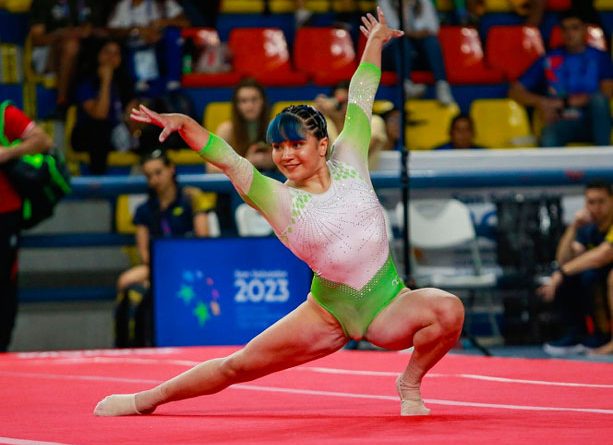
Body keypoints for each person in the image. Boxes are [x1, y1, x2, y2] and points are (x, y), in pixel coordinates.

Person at [94, 7, 464, 417]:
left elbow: (362, 91)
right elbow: (230, 161)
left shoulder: (351, 156)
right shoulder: (277, 198)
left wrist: (374, 42)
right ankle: (144, 399)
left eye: (296, 144)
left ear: (322, 145)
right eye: (278, 147)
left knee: (448, 310)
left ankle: (409, 382)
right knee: (236, 366)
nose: (285, 155)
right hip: (327, 312)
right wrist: (185, 125)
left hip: (388, 304)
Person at [115, 149, 213, 347]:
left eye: (158, 172)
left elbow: (203, 239)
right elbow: (144, 252)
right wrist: (161, 271)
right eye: (149, 176)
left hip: (190, 266)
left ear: (171, 169)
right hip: (157, 268)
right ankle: (124, 344)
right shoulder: (144, 210)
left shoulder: (191, 199)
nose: (154, 180)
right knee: (126, 283)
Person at [509, 10, 613, 147]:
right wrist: (542, 102)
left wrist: (564, 102)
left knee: (599, 102)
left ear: (585, 30)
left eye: (575, 28)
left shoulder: (600, 58)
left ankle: (604, 156)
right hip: (562, 120)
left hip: (593, 120)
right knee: (549, 136)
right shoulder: (549, 59)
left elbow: (606, 93)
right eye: (565, 29)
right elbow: (515, 91)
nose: (569, 33)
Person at [0, 101, 53, 352]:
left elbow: (43, 140)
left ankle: (2, 347)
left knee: (3, 282)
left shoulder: (5, 115)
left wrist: (8, 153)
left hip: (4, 214)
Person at [538, 180, 613, 355]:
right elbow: (563, 260)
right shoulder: (588, 228)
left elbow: (604, 255)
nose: (596, 208)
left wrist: (561, 273)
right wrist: (573, 228)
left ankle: (608, 338)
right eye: (591, 202)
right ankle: (579, 334)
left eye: (601, 202)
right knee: (573, 276)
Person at [71, 38, 139, 174]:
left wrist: (133, 122)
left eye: (116, 54)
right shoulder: (86, 82)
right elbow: (100, 114)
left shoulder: (124, 82)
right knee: (99, 129)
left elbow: (132, 117)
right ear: (98, 55)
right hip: (88, 134)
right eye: (107, 52)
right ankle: (98, 182)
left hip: (117, 132)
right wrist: (106, 81)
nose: (111, 58)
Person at [28, 0, 105, 117]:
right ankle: (62, 102)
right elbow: (37, 39)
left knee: (106, 49)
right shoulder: (43, 2)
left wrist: (88, 31)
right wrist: (61, 34)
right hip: (47, 53)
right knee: (71, 46)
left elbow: (103, 30)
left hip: (84, 49)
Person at [378, 0, 455, 105]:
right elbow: (392, 29)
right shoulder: (384, 2)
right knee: (402, 41)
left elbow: (433, 27)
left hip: (416, 52)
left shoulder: (424, 2)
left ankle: (442, 86)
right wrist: (405, 9)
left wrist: (412, 32)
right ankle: (406, 85)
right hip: (391, 53)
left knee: (431, 42)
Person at [106, 0, 190, 94]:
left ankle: (173, 80)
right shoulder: (123, 5)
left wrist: (163, 23)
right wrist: (137, 31)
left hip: (160, 50)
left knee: (172, 33)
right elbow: (111, 30)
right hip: (134, 51)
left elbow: (185, 23)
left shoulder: (163, 3)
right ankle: (141, 85)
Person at [315, 80, 389, 170]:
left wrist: (339, 120)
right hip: (331, 177)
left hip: (367, 177)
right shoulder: (327, 125)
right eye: (339, 103)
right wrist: (316, 114)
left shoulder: (374, 122)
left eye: (347, 101)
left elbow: (353, 155)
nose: (344, 107)